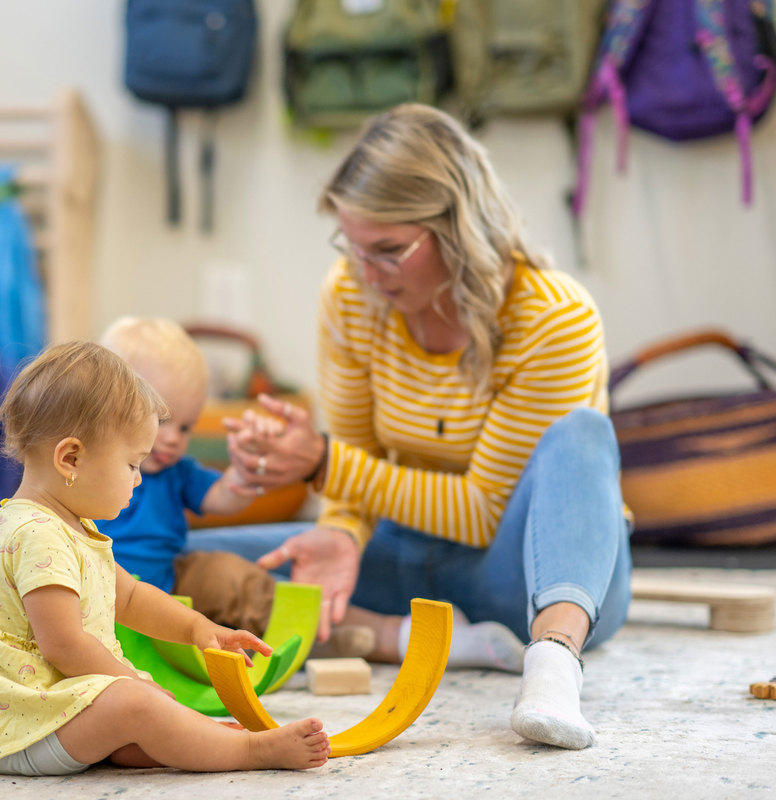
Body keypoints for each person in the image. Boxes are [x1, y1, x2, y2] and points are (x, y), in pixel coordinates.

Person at [205, 103, 633, 751]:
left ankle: (551, 664)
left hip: (525, 572)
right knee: (173, 558)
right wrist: (340, 533)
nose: (366, 272)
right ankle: (407, 636)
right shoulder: (351, 291)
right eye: (351, 245)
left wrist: (322, 463)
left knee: (583, 434)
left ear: (460, 230)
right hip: (410, 555)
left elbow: (484, 512)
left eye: (389, 251)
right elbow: (356, 457)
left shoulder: (555, 317)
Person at [0, 340, 330, 776]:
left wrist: (199, 629)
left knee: (149, 717)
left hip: (54, 713)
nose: (139, 479)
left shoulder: (70, 526)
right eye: (132, 465)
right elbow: (65, 645)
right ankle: (251, 752)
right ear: (71, 459)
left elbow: (129, 598)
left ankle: (207, 741)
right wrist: (135, 685)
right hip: (19, 730)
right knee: (135, 702)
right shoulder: (36, 533)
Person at [96, 317, 277, 634]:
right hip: (98, 597)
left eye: (185, 427)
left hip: (170, 589)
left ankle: (288, 635)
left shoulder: (177, 472)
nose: (173, 438)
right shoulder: (91, 467)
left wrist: (242, 475)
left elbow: (222, 498)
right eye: (162, 421)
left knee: (230, 575)